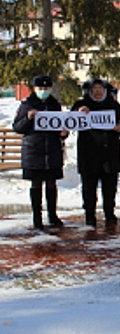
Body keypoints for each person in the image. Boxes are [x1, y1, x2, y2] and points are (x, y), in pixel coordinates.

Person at [71, 78, 120, 226]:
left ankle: (109, 212)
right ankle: (89, 215)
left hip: (109, 152)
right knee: (89, 187)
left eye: (100, 89)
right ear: (89, 91)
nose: (98, 92)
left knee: (110, 186)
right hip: (89, 153)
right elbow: (70, 120)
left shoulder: (113, 105)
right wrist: (79, 113)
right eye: (95, 89)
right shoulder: (81, 104)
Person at [13, 75, 68, 229]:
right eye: (40, 88)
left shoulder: (54, 105)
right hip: (34, 150)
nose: (43, 91)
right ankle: (37, 217)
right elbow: (18, 127)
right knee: (36, 184)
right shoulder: (27, 104)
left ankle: (52, 214)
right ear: (35, 89)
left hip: (52, 149)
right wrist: (28, 118)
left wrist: (63, 132)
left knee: (52, 183)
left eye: (46, 88)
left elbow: (60, 124)